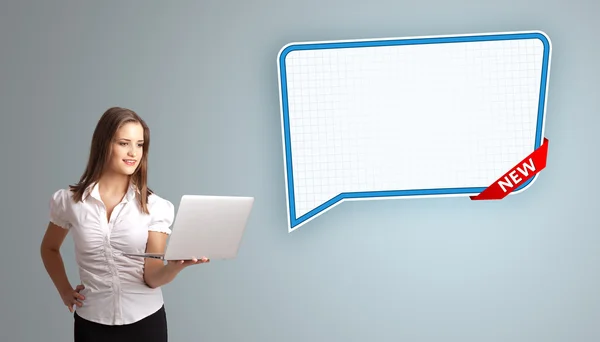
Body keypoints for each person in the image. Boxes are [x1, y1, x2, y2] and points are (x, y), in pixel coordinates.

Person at [40, 107, 209, 342]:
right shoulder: (70, 201)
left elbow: (152, 277)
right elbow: (49, 248)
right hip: (91, 324)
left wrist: (174, 266)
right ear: (104, 144)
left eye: (140, 144)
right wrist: (65, 291)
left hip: (146, 322)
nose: (133, 152)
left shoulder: (155, 206)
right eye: (124, 143)